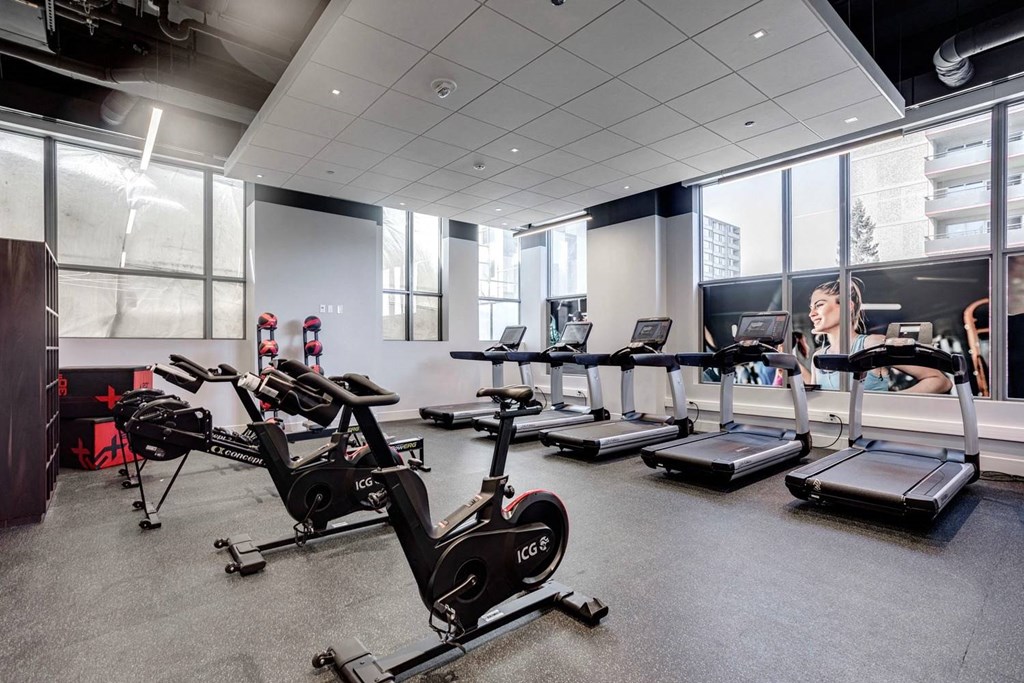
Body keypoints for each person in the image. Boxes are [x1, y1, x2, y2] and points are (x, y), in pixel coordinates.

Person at [808, 278, 952, 394]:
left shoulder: (873, 345)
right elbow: (815, 401)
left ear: (847, 306)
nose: (812, 313)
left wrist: (887, 402)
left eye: (819, 305)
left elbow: (939, 380)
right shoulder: (818, 356)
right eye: (811, 308)